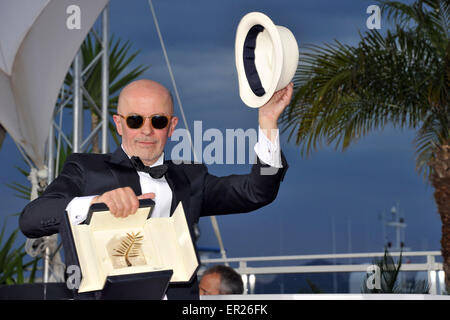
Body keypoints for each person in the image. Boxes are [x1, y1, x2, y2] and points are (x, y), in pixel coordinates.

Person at [19, 79, 292, 299]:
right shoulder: (86, 169)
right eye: (135, 120)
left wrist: (268, 123)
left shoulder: (192, 178)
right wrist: (95, 203)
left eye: (158, 121)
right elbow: (32, 219)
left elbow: (258, 191)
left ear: (171, 126)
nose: (147, 130)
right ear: (119, 124)